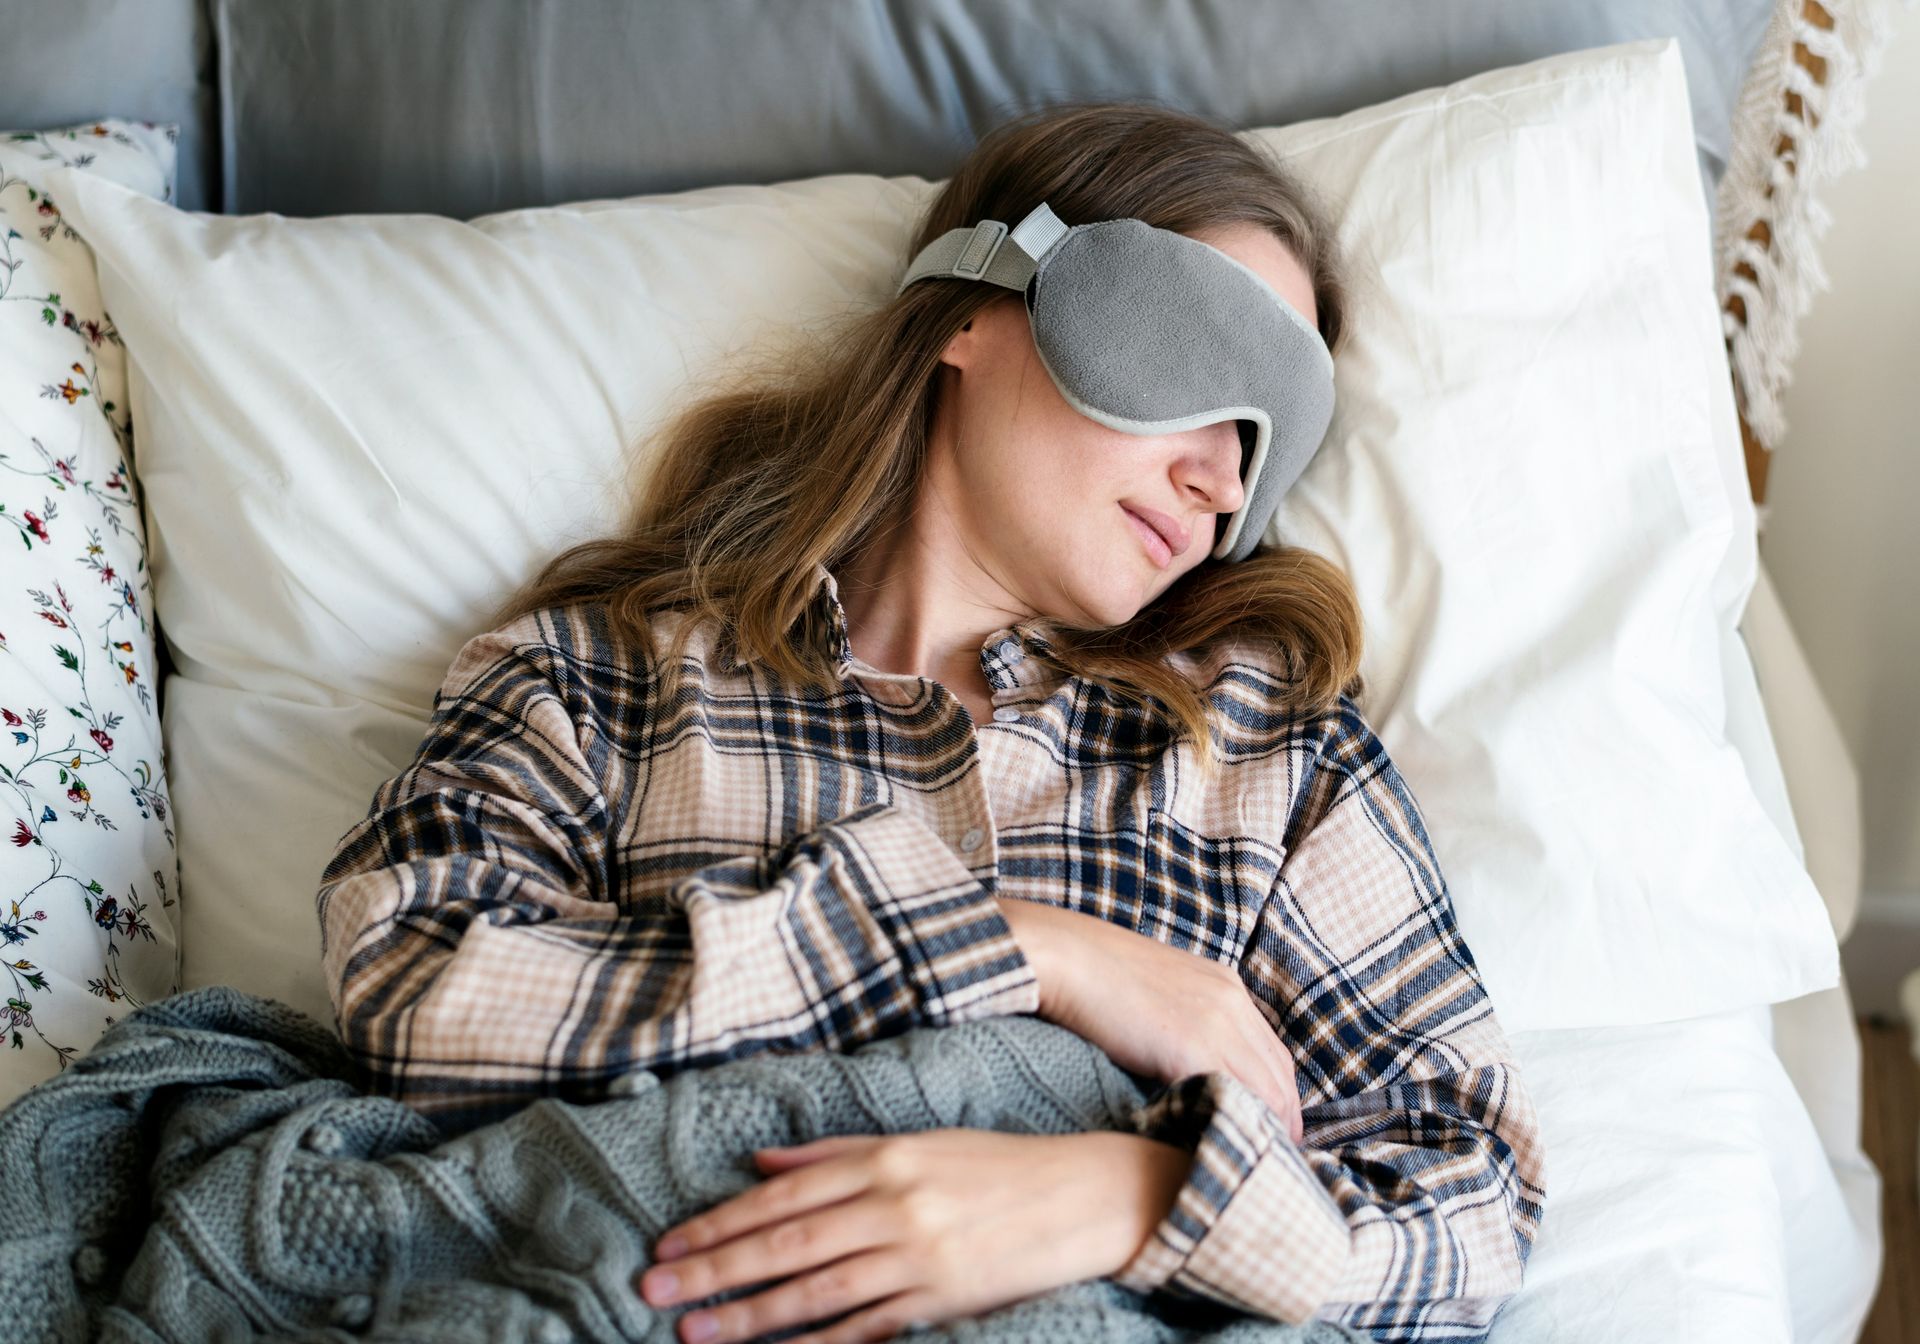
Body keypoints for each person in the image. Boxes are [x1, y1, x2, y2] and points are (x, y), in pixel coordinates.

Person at [315, 100, 1546, 1344]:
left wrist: (1129, 1199)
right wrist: (1033, 951)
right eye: (1196, 364)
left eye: (1262, 436)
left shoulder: (1267, 756)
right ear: (972, 307)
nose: (1222, 481)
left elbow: (1470, 1196)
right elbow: (411, 982)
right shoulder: (602, 676)